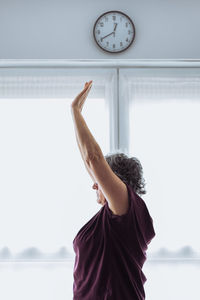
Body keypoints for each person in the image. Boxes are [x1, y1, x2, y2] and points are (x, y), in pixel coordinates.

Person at [71, 81, 156, 300]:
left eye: (99, 181)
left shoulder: (127, 209)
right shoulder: (112, 215)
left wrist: (76, 112)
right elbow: (90, 163)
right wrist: (76, 114)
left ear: (115, 180)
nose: (93, 184)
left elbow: (94, 158)